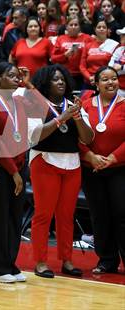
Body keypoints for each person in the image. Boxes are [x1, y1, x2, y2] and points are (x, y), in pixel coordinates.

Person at [29, 64, 94, 278]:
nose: (60, 82)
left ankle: (67, 260)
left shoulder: (74, 105)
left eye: (63, 79)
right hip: (44, 161)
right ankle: (40, 262)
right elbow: (35, 137)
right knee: (43, 214)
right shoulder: (36, 104)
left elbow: (88, 138)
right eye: (55, 79)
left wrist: (76, 118)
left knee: (66, 215)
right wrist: (62, 117)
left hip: (72, 164)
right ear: (45, 83)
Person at [0, 62, 35, 283]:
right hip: (0, 168)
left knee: (15, 217)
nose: (16, 79)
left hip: (20, 166)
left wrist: (29, 81)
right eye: (11, 76)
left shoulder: (19, 102)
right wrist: (13, 171)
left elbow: (42, 106)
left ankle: (11, 264)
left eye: (17, 76)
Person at [80, 66, 125, 274]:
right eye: (105, 79)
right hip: (92, 169)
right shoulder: (86, 105)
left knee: (122, 213)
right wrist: (90, 156)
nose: (110, 83)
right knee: (99, 214)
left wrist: (113, 158)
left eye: (114, 79)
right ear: (95, 84)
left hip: (120, 168)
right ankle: (107, 260)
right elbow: (76, 135)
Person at [51, 17, 92, 89]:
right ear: (66, 26)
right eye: (71, 25)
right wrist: (65, 55)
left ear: (80, 27)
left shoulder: (87, 38)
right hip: (65, 74)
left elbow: (91, 56)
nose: (73, 27)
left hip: (82, 75)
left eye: (76, 25)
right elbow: (53, 58)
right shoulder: (61, 38)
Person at [80, 18, 119, 89]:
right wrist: (90, 78)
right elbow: (82, 66)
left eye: (104, 27)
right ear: (95, 29)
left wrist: (99, 78)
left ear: (107, 30)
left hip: (106, 81)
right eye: (99, 27)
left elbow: (113, 66)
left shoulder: (114, 45)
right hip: (89, 82)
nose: (101, 29)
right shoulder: (88, 45)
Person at [108, 27, 125, 97]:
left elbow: (117, 68)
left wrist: (121, 67)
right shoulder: (119, 50)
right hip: (119, 88)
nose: (121, 37)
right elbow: (110, 66)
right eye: (121, 35)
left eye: (123, 35)